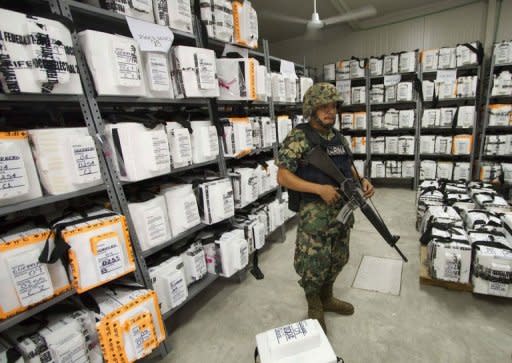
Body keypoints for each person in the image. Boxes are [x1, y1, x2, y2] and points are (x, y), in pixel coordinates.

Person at [277, 82, 375, 333]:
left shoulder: (338, 137)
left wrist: (361, 180)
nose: (330, 111)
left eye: (333, 106)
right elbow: (283, 177)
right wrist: (318, 189)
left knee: (338, 258)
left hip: (342, 212)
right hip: (315, 215)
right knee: (313, 264)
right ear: (312, 108)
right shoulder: (299, 137)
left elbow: (347, 167)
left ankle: (327, 298)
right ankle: (314, 305)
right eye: (324, 107)